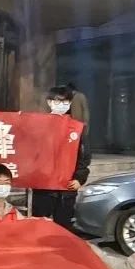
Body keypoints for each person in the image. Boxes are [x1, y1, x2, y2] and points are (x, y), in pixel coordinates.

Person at [32, 85, 91, 229]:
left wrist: (79, 178)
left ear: (70, 103)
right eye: (58, 101)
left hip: (66, 188)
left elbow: (84, 156)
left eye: (65, 102)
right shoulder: (38, 125)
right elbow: (29, 153)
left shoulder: (77, 127)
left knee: (64, 228)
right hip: (43, 188)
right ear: (49, 102)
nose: (62, 105)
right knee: (40, 226)